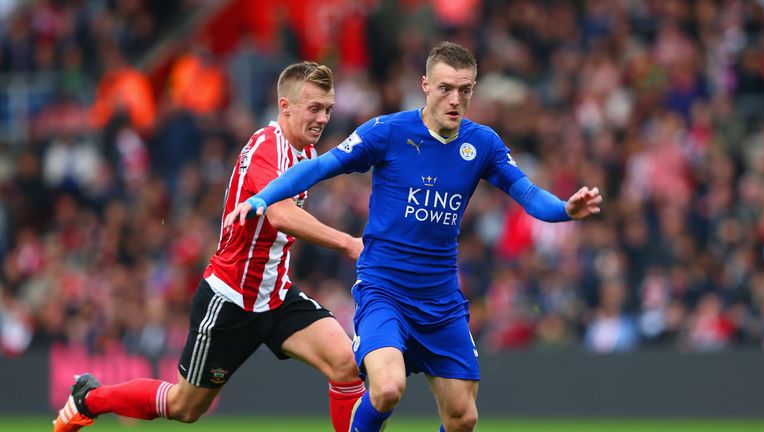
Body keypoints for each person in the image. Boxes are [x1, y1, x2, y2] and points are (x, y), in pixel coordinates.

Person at [225, 41, 603, 432]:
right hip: (384, 291)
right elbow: (319, 168)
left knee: (463, 418)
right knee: (387, 388)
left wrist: (565, 209)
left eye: (465, 90)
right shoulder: (388, 132)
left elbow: (527, 193)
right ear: (425, 85)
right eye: (445, 88)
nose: (455, 99)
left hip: (441, 301)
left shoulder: (483, 143)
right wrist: (263, 197)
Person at [53, 62, 366, 432]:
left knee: (346, 365)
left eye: (328, 109)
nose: (323, 119)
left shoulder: (306, 154)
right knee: (184, 407)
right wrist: (349, 243)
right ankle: (89, 398)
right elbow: (280, 215)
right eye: (314, 108)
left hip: (275, 296)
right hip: (230, 298)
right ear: (285, 106)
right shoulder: (268, 147)